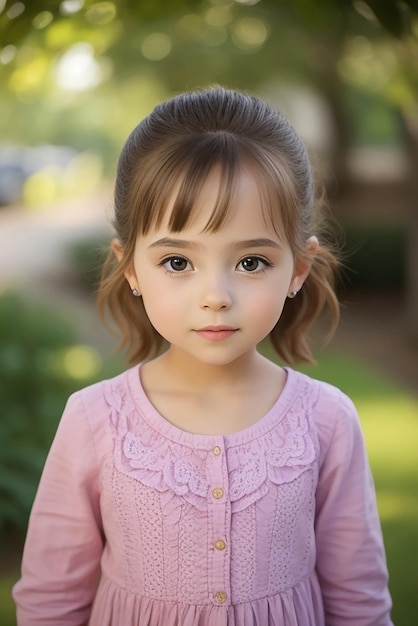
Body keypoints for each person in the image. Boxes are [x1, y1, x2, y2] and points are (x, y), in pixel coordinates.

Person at [13, 86, 393, 626]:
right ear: (130, 267)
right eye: (176, 262)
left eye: (252, 263)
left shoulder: (327, 421)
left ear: (299, 269)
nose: (215, 295)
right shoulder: (94, 420)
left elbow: (359, 602)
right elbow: (51, 601)